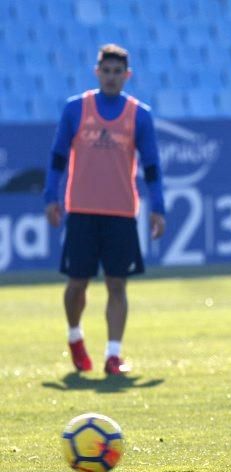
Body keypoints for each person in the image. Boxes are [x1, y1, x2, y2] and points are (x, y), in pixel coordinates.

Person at [44, 44, 166, 376]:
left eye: (118, 72)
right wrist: (50, 198)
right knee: (76, 284)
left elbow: (152, 166)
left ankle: (113, 355)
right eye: (106, 71)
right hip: (82, 209)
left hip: (121, 212)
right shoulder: (75, 109)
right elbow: (57, 158)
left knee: (117, 284)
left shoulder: (139, 114)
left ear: (127, 76)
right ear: (97, 72)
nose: (111, 78)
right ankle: (75, 336)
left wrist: (159, 207)